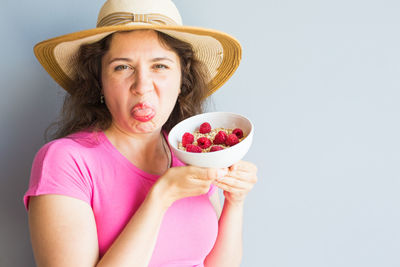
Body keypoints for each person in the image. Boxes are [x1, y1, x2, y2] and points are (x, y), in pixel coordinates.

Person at [23, 0, 258, 266]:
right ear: (99, 81)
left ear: (182, 80)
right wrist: (160, 197)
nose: (142, 86)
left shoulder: (190, 154)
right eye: (122, 67)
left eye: (160, 66)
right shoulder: (66, 161)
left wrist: (235, 201)